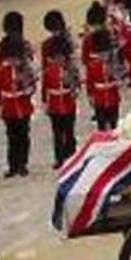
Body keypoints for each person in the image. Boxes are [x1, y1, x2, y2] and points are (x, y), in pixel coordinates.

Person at [0, 18, 34, 178]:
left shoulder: (24, 69)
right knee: (11, 137)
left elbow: (31, 87)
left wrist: (24, 86)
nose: (12, 60)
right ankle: (13, 165)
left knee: (23, 136)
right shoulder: (2, 70)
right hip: (9, 107)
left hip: (22, 105)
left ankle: (23, 164)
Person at [40, 36, 79, 169]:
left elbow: (77, 86)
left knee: (69, 132)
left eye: (62, 57)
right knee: (57, 134)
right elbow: (45, 88)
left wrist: (71, 83)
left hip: (68, 104)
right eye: (57, 57)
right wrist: (45, 103)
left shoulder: (72, 69)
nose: (60, 60)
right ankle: (59, 158)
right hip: (55, 106)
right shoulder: (48, 71)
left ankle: (72, 156)